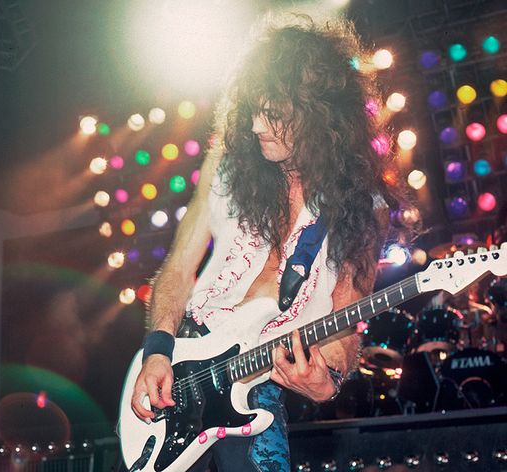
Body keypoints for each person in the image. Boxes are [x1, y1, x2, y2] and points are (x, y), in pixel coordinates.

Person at [130, 17, 410, 471]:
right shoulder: (229, 165)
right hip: (183, 360)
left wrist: (328, 379)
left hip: (256, 386)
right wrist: (158, 352)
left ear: (319, 115)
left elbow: (345, 313)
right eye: (254, 109)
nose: (258, 125)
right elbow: (179, 267)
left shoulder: (362, 205)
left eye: (274, 112)